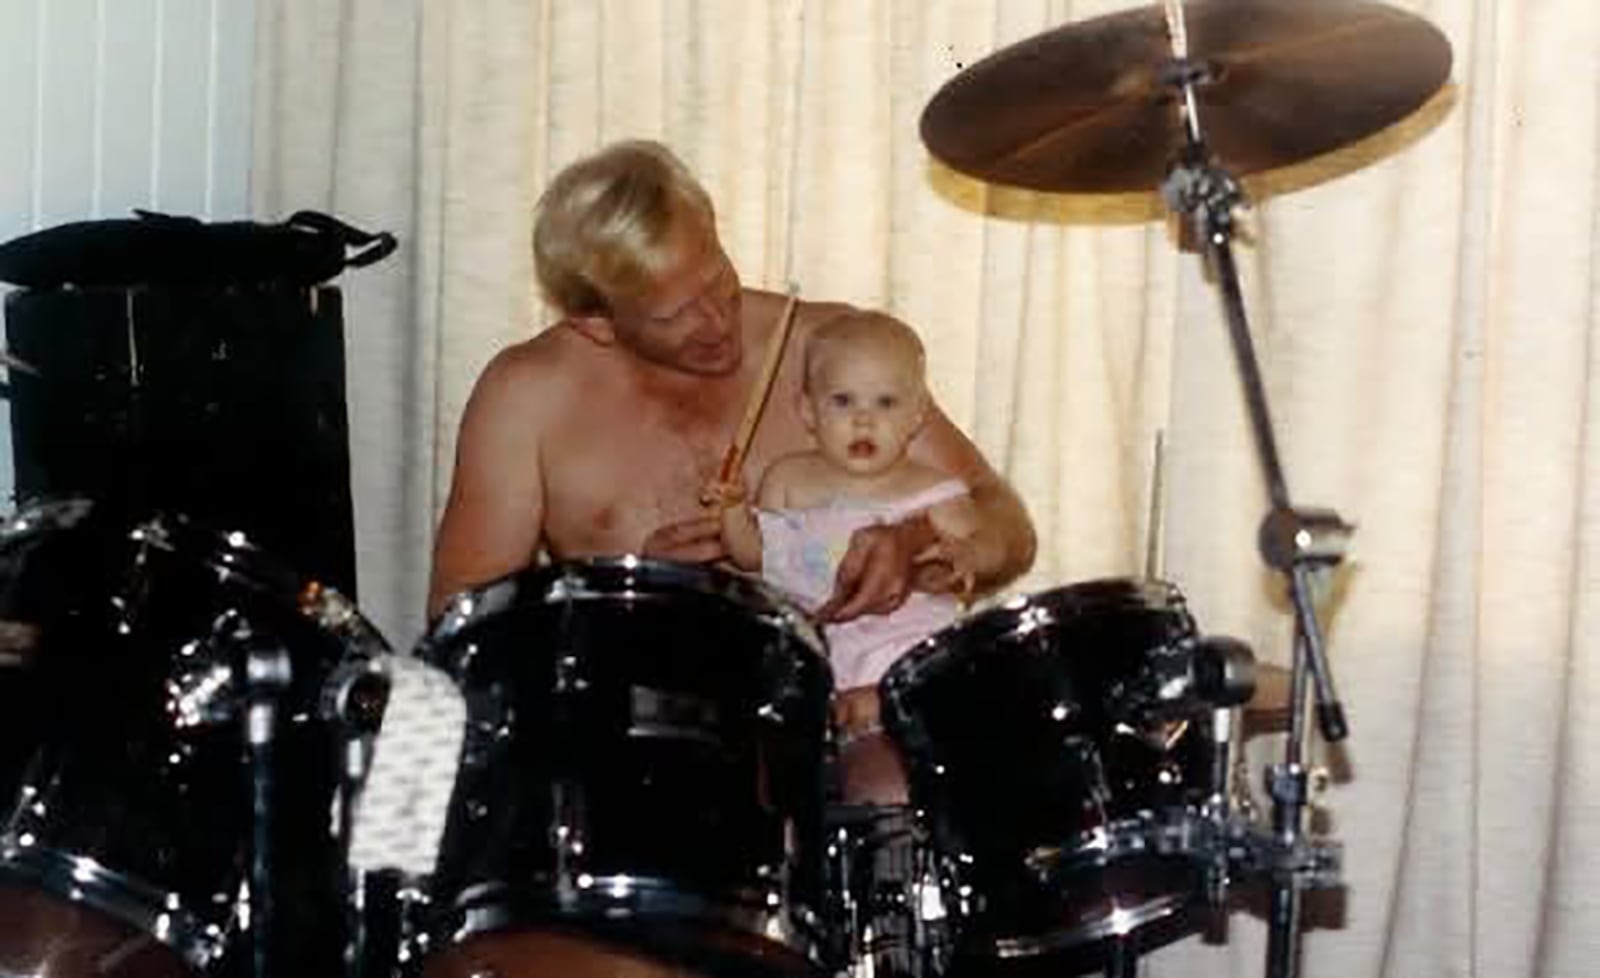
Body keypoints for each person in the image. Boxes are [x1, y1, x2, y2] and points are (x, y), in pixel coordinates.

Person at [428, 139, 1037, 627]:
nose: (720, 324)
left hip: (837, 712)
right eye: (674, 315)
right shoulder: (527, 398)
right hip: (634, 724)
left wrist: (921, 556)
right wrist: (624, 591)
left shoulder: (826, 348)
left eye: (718, 278)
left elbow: (1003, 520)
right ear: (595, 323)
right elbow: (464, 623)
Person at [712, 311, 983, 784]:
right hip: (823, 658)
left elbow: (974, 553)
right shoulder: (788, 481)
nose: (864, 418)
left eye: (886, 403)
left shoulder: (935, 491)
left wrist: (963, 554)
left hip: (907, 652)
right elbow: (754, 555)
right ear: (808, 411)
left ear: (916, 416)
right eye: (842, 401)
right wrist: (732, 511)